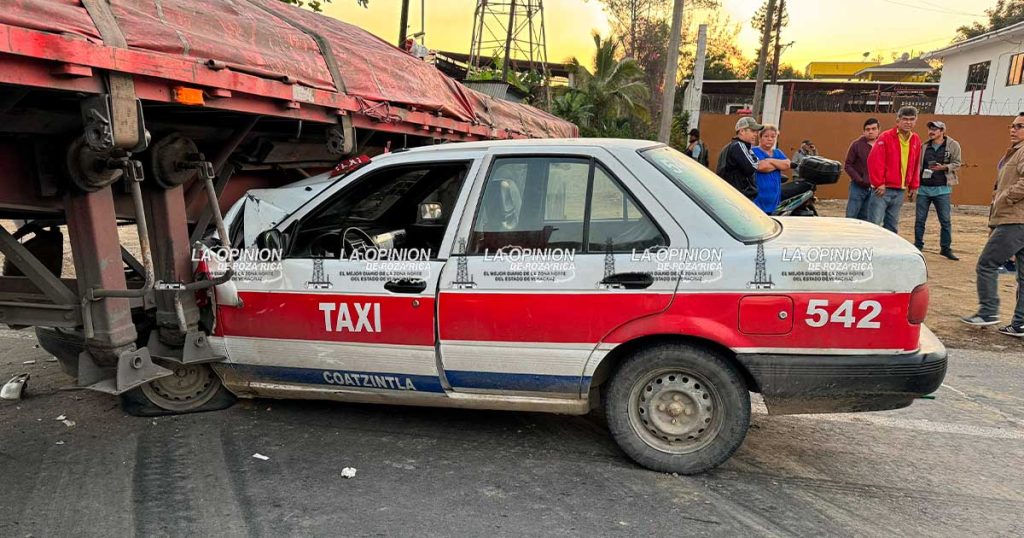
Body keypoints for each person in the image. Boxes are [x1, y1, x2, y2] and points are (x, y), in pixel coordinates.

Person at [962, 113, 1024, 337]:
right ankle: (1020, 323)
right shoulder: (1014, 152)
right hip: (1012, 218)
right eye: (1012, 125)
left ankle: (988, 312)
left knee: (986, 264)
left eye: (1019, 126)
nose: (1013, 129)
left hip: (1015, 219)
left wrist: (1006, 197)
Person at [867, 106, 922, 234]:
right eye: (905, 119)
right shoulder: (886, 137)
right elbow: (875, 160)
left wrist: (914, 186)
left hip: (900, 190)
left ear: (915, 121)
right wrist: (878, 183)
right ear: (898, 121)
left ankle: (888, 253)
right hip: (883, 189)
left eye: (911, 119)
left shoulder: (915, 139)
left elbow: (915, 164)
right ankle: (872, 250)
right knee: (874, 224)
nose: (908, 122)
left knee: (892, 226)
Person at [914, 120, 962, 260]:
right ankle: (918, 245)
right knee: (920, 220)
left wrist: (944, 167)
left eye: (935, 129)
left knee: (945, 221)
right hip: (923, 189)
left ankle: (945, 248)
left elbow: (957, 163)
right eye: (930, 128)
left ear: (942, 131)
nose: (931, 131)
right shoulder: (924, 146)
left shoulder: (953, 145)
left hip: (942, 189)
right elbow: (918, 165)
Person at [715, 117, 776, 200]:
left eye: (756, 131)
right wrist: (776, 165)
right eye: (752, 131)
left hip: (733, 195)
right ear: (742, 131)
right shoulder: (738, 146)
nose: (756, 134)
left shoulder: (739, 146)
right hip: (736, 197)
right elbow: (755, 166)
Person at [844, 118, 880, 221]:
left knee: (866, 218)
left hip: (875, 188)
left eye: (873, 129)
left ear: (878, 130)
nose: (870, 132)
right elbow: (848, 165)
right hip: (858, 187)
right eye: (867, 129)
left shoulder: (882, 145)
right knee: (851, 215)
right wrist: (859, 179)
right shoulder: (856, 145)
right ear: (863, 131)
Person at [751, 124, 791, 214]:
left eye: (773, 137)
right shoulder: (754, 151)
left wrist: (769, 160)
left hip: (774, 198)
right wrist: (778, 164)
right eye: (766, 136)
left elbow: (787, 165)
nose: (770, 139)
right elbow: (762, 167)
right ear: (760, 137)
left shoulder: (778, 152)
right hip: (758, 197)